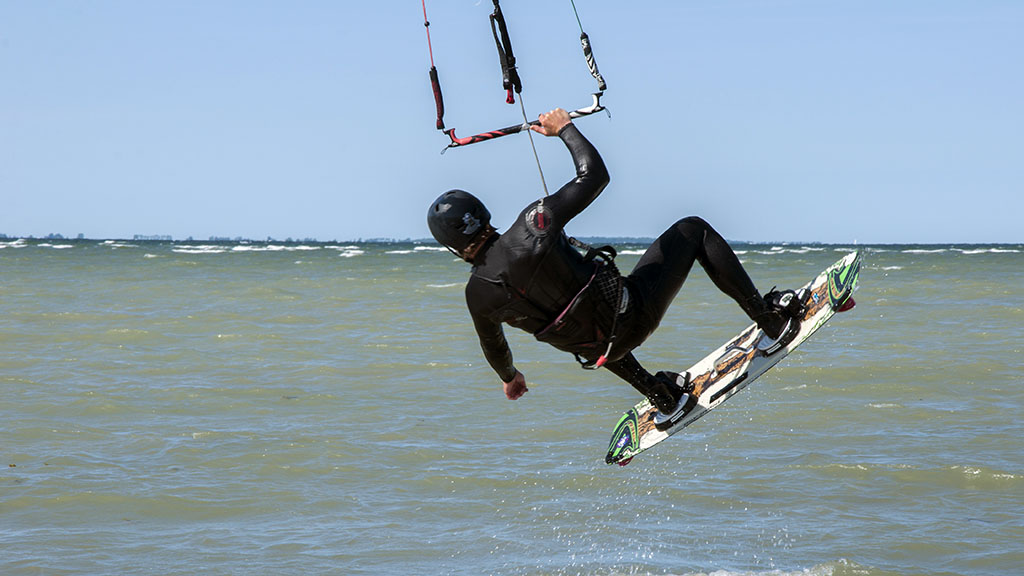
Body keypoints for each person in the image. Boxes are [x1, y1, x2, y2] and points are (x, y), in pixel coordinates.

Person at [427, 108, 806, 430]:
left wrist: (510, 378)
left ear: (450, 245)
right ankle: (771, 322)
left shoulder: (477, 296)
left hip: (604, 350)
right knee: (692, 230)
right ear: (482, 213)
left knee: (583, 330)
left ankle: (663, 396)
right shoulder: (533, 224)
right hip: (636, 311)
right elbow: (594, 176)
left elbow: (494, 347)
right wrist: (565, 130)